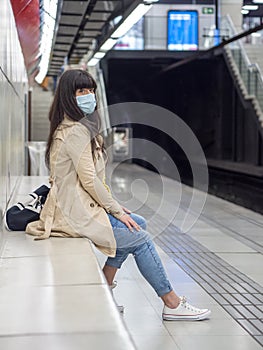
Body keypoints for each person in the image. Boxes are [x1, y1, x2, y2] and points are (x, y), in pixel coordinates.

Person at [26, 69, 211, 321]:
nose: (88, 96)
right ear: (69, 96)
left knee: (137, 223)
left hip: (78, 206)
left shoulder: (78, 127)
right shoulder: (75, 131)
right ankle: (172, 302)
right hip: (72, 213)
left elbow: (93, 180)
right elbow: (89, 179)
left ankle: (105, 285)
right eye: (81, 91)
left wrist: (116, 207)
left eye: (91, 90)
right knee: (140, 237)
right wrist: (113, 210)